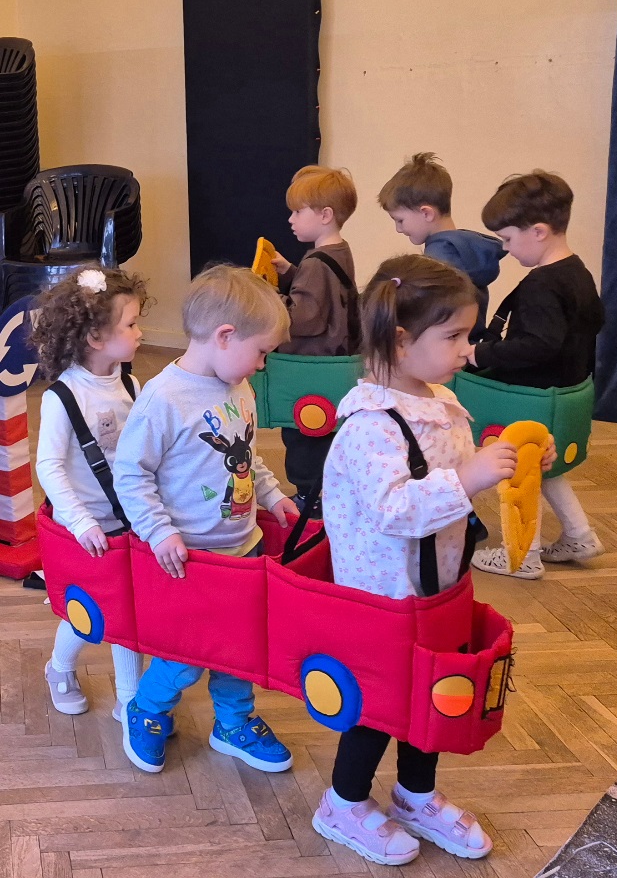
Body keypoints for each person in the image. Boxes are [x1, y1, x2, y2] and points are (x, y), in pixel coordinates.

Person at [313, 254, 554, 866]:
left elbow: (457, 471)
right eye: (454, 336)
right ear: (401, 341)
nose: (469, 350)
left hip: (439, 584)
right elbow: (394, 508)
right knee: (376, 704)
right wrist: (470, 477)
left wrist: (510, 461)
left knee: (430, 693)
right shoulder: (370, 425)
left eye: (469, 335)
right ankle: (342, 802)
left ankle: (414, 794)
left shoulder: (440, 400)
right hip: (383, 597)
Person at [113, 265, 298, 775]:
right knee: (186, 653)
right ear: (224, 336)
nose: (262, 364)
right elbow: (130, 473)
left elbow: (249, 456)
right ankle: (147, 708)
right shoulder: (163, 398)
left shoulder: (239, 386)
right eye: (261, 351)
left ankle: (233, 723)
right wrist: (159, 532)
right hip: (190, 557)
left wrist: (272, 495)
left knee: (240, 647)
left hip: (244, 547)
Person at [468, 171, 606, 579]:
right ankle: (580, 535)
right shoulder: (578, 272)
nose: (506, 249)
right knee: (546, 470)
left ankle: (522, 556)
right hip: (567, 393)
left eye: (508, 239)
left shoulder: (542, 286)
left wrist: (480, 353)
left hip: (535, 398)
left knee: (522, 471)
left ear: (539, 232)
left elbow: (536, 346)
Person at [33, 266, 148, 719]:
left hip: (127, 520)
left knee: (128, 610)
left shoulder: (131, 385)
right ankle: (59, 667)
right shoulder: (62, 396)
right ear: (96, 337)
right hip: (83, 527)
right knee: (89, 608)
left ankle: (130, 697)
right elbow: (49, 466)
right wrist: (81, 521)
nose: (140, 332)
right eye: (131, 324)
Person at [270, 165, 359, 518]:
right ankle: (324, 490)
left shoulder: (316, 263)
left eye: (297, 211)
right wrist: (290, 272)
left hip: (309, 365)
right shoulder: (337, 251)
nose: (290, 219)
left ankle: (310, 496)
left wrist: (270, 300)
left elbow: (304, 317)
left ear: (325, 215)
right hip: (333, 359)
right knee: (324, 433)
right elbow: (324, 297)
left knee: (302, 434)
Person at [378, 153, 505, 341]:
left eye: (400, 220)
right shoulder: (465, 249)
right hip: (469, 342)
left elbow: (433, 314)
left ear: (426, 213)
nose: (398, 229)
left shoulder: (439, 256)